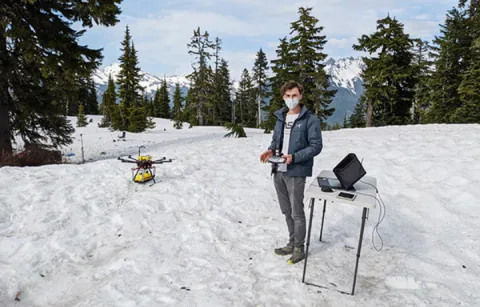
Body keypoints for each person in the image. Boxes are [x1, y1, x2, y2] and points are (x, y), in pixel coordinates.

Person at [260, 80, 323, 264]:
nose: (291, 99)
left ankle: (299, 248)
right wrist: (270, 150)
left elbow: (316, 146)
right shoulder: (281, 117)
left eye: (294, 95)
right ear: (283, 97)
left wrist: (294, 157)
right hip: (278, 169)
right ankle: (291, 242)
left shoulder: (310, 119)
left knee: (297, 212)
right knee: (286, 211)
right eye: (287, 96)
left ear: (301, 96)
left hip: (296, 170)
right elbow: (276, 140)